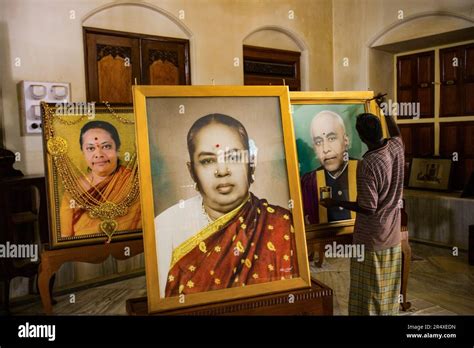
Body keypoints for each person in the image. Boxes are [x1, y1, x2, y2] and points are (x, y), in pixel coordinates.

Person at [155, 113, 299, 298]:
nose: (222, 170)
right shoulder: (166, 227)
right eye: (208, 160)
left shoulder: (282, 224)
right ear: (192, 171)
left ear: (251, 164)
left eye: (233, 157)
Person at [321, 112, 404, 315]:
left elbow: (368, 207)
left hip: (372, 238)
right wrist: (385, 110)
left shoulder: (368, 164)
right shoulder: (396, 147)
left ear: (359, 138)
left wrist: (335, 203)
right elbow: (397, 133)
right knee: (386, 288)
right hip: (392, 234)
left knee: (368, 290)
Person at [60, 121, 142, 237]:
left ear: (117, 149)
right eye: (90, 148)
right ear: (83, 152)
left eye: (106, 146)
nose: (98, 154)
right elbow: (65, 236)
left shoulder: (134, 182)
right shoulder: (73, 189)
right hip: (83, 251)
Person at [301, 110, 358, 224]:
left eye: (331, 138)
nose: (325, 149)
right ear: (314, 148)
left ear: (346, 141)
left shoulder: (362, 171)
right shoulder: (309, 182)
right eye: (318, 142)